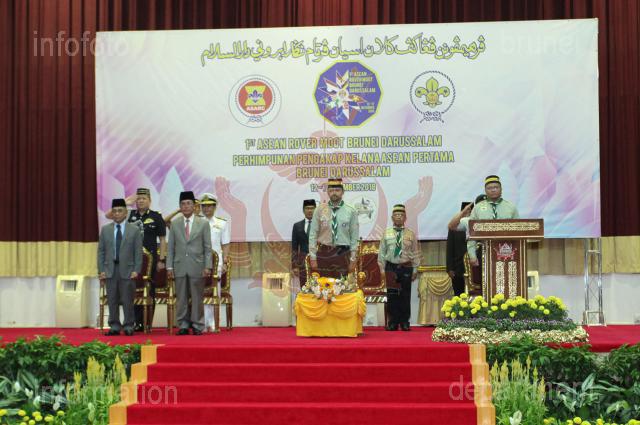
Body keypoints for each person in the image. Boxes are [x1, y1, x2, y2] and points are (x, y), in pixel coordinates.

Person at [166, 191, 212, 335]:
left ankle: (198, 325)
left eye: (188, 203)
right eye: (183, 204)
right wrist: (169, 266)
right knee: (181, 298)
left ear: (194, 206)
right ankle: (183, 325)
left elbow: (207, 247)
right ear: (180, 206)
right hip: (179, 266)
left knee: (197, 297)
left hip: (197, 266)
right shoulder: (175, 224)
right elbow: (170, 247)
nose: (185, 206)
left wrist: (207, 266)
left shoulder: (203, 223)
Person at [97, 198, 143, 336]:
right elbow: (101, 252)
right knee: (112, 299)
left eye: (120, 211)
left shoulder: (134, 230)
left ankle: (128, 325)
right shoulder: (105, 230)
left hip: (128, 270)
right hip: (110, 270)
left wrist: (136, 270)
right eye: (115, 211)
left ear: (125, 213)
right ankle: (115, 326)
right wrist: (101, 270)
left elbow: (138, 252)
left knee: (127, 299)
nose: (117, 213)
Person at [377, 204, 422, 331]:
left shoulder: (410, 234)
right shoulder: (386, 233)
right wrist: (382, 269)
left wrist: (415, 269)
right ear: (392, 218)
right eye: (396, 215)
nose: (398, 217)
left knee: (405, 295)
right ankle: (393, 322)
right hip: (391, 267)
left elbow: (415, 252)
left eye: (401, 215)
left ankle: (404, 322)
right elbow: (381, 252)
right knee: (392, 295)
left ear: (405, 218)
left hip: (406, 266)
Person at [308, 178, 359, 278]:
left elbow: (354, 236)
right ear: (327, 192)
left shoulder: (351, 211)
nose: (334, 193)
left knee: (341, 285)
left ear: (343, 192)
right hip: (324, 252)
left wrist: (353, 259)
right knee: (324, 285)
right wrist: (313, 257)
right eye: (331, 190)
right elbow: (313, 234)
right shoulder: (320, 210)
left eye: (337, 190)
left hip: (343, 253)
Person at [199, 193, 230, 331]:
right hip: (199, 262)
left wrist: (225, 262)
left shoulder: (222, 223)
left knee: (214, 292)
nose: (206, 209)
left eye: (209, 206)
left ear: (215, 207)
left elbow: (225, 244)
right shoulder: (197, 222)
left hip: (216, 262)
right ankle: (201, 322)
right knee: (199, 292)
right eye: (204, 206)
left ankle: (212, 322)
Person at [446, 195, 487, 295]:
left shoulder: (478, 224)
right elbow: (450, 248)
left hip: (477, 266)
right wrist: (450, 268)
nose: (468, 212)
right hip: (459, 268)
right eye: (466, 211)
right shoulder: (455, 227)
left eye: (470, 211)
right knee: (460, 294)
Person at [291, 199, 316, 287]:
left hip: (318, 261)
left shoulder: (321, 225)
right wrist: (294, 265)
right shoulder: (297, 226)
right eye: (307, 208)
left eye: (312, 208)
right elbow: (294, 247)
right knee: (304, 286)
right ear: (303, 210)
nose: (310, 210)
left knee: (319, 287)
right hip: (302, 262)